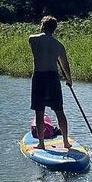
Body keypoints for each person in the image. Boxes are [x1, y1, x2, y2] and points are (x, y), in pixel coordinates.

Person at [28, 15, 72, 150]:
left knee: (39, 111)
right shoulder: (58, 45)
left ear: (42, 26)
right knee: (59, 110)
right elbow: (65, 65)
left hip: (39, 77)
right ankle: (65, 142)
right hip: (53, 78)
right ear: (54, 29)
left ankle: (41, 144)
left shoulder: (32, 39)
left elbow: (36, 47)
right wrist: (69, 80)